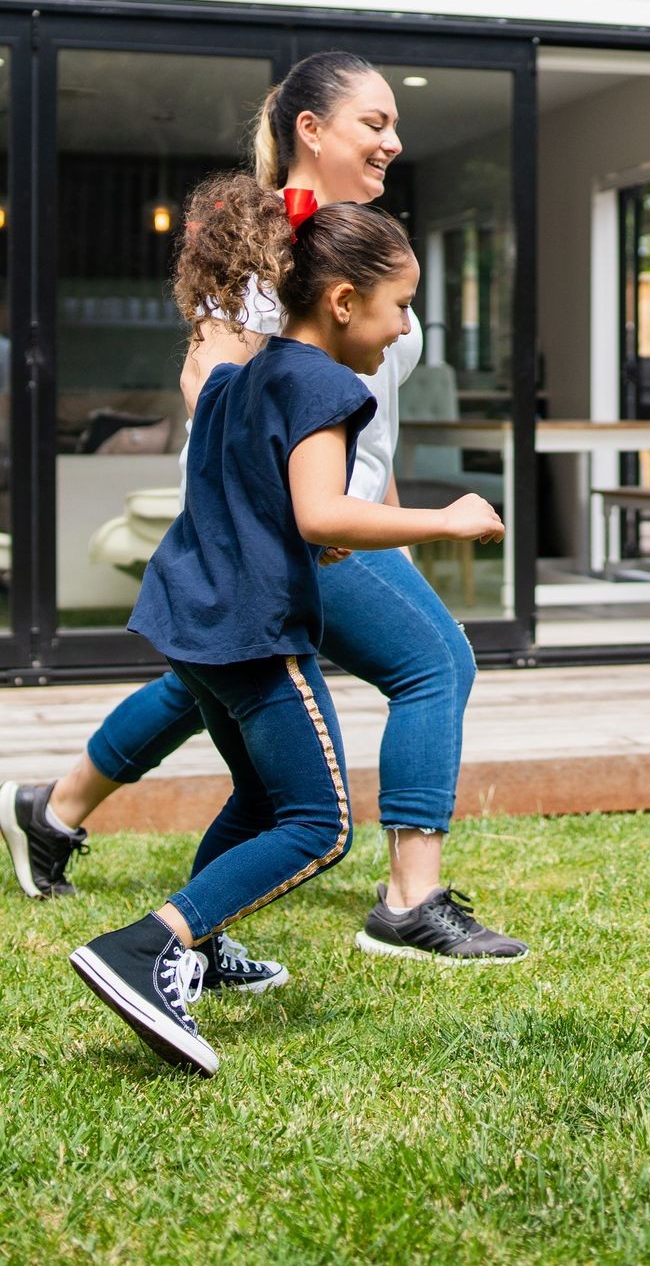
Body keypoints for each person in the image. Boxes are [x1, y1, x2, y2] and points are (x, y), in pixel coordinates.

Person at [0, 50, 527, 967]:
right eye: (375, 122)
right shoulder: (264, 254)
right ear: (309, 130)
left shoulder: (357, 248)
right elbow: (210, 386)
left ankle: (53, 812)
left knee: (212, 684)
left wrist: (391, 526)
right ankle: (410, 900)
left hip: (342, 515)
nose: (394, 140)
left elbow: (374, 425)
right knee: (433, 663)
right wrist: (280, 522)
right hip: (299, 525)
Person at [71, 186, 504, 1074]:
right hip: (253, 632)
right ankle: (148, 946)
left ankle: (195, 951)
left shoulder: (243, 373)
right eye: (401, 307)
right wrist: (447, 520)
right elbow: (320, 514)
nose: (402, 329)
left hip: (189, 617)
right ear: (345, 302)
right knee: (319, 823)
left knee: (265, 799)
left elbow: (252, 495)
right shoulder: (328, 386)